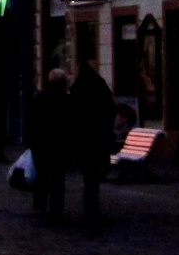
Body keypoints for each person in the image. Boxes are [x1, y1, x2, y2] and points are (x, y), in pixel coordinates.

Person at [69, 60, 116, 225]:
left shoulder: (77, 88)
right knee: (94, 176)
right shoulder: (101, 87)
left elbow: (72, 116)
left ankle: (90, 207)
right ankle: (92, 207)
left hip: (83, 139)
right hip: (99, 138)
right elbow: (111, 111)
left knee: (88, 176)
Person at [27, 68, 70, 219]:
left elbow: (32, 121)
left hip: (41, 144)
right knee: (58, 177)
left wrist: (32, 140)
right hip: (59, 144)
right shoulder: (66, 100)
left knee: (42, 175)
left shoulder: (40, 98)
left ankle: (40, 204)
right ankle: (56, 207)